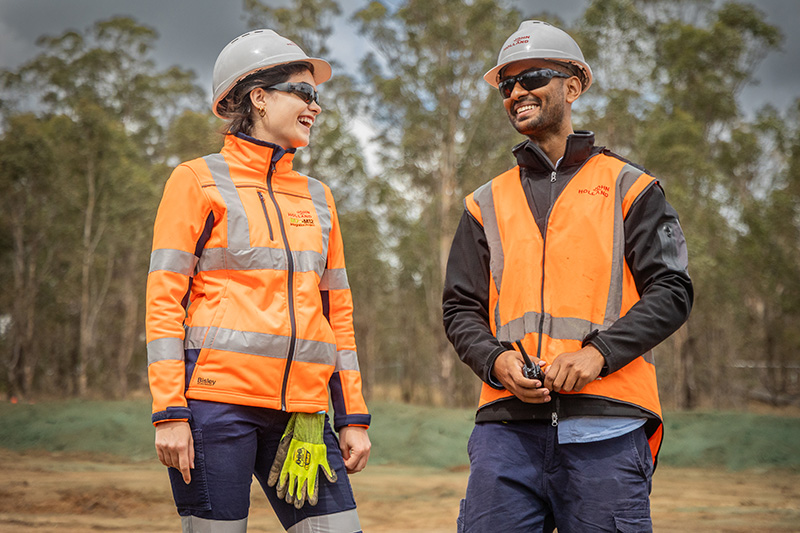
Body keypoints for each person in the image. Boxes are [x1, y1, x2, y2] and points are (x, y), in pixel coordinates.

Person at [442, 20, 693, 532]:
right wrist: (495, 361)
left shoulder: (631, 187)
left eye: (530, 77)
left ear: (572, 86)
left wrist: (598, 353)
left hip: (608, 425)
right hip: (506, 431)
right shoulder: (484, 203)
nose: (516, 92)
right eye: (506, 85)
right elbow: (460, 308)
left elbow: (671, 291)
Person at [145, 29, 371, 533]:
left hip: (304, 416)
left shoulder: (319, 198)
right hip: (215, 408)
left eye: (319, 97)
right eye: (304, 93)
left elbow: (337, 313)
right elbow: (164, 300)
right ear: (259, 97)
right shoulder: (196, 180)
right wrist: (170, 412)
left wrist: (351, 414)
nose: (316, 106)